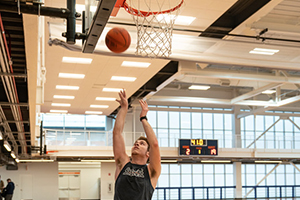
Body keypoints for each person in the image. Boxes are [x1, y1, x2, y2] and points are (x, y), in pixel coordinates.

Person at [113, 89, 161, 200]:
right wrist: (124, 108)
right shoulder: (123, 164)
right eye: (136, 143)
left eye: (142, 143)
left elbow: (154, 144)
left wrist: (143, 118)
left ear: (148, 154)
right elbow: (117, 133)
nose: (137, 144)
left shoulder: (151, 171)